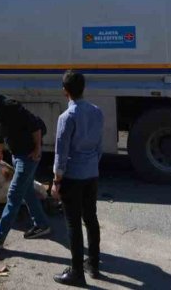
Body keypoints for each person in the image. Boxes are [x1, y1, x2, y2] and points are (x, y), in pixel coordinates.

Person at [0, 77, 52, 247]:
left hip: (28, 156)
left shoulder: (9, 106)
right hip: (17, 156)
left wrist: (38, 148)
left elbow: (35, 125)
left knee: (14, 193)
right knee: (27, 191)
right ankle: (42, 224)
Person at [51, 70, 104, 286]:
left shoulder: (67, 118)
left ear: (65, 91)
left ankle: (77, 273)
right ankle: (93, 264)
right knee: (91, 219)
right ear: (83, 88)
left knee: (73, 224)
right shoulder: (97, 111)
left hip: (72, 176)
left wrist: (56, 182)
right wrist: (92, 165)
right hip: (91, 173)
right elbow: (99, 145)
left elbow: (61, 154)